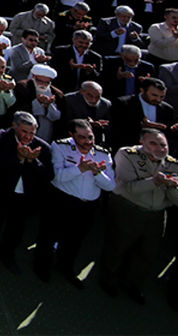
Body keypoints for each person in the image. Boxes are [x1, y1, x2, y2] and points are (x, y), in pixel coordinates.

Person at [98, 129, 178, 302]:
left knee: (148, 253)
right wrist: (156, 181)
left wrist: (171, 186)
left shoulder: (176, 165)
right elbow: (130, 188)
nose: (159, 148)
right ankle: (108, 280)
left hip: (156, 215)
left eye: (163, 144)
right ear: (141, 142)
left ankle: (132, 284)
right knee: (118, 246)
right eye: (153, 143)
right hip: (128, 208)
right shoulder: (127, 154)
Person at [33, 119, 115, 286]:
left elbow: (110, 186)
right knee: (49, 235)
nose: (87, 142)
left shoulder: (103, 154)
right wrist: (80, 169)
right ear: (71, 135)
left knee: (75, 239)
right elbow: (58, 177)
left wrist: (98, 173)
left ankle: (65, 267)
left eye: (90, 137)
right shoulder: (60, 147)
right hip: (62, 200)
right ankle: (42, 266)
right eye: (82, 137)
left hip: (87, 206)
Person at [0, 112, 53, 274]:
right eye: (24, 132)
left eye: (32, 133)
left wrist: (32, 161)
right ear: (14, 126)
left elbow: (47, 175)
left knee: (16, 228)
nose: (28, 137)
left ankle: (8, 255)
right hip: (0, 191)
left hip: (24, 197)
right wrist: (19, 158)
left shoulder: (43, 148)